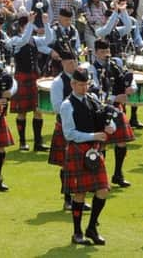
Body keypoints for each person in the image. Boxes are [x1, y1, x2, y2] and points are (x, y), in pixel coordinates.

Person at [60, 66, 114, 245]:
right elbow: (69, 134)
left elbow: (107, 120)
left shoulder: (93, 99)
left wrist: (109, 127)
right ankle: (77, 232)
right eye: (81, 85)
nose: (84, 88)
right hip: (78, 149)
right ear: (72, 83)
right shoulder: (67, 105)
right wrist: (93, 136)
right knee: (80, 194)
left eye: (86, 84)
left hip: (94, 150)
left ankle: (91, 228)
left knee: (103, 190)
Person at [87, 39, 136, 187]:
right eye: (102, 52)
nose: (105, 55)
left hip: (117, 109)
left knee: (121, 143)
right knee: (102, 144)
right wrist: (115, 97)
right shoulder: (91, 69)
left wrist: (131, 88)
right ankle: (99, 177)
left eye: (107, 51)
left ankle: (118, 174)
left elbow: (129, 77)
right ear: (95, 53)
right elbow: (94, 92)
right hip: (100, 109)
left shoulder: (116, 63)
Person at [10, 11, 53, 151]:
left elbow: (49, 39)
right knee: (21, 112)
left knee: (38, 110)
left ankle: (38, 143)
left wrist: (46, 23)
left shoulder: (35, 40)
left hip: (35, 76)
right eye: (27, 25)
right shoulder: (14, 40)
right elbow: (23, 40)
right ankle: (22, 142)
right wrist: (30, 23)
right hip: (21, 77)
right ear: (22, 27)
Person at [48, 49, 81, 210]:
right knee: (66, 165)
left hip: (82, 126)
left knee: (80, 165)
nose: (73, 65)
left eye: (74, 62)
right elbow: (56, 107)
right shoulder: (58, 82)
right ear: (62, 63)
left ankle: (78, 197)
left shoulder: (81, 79)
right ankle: (67, 198)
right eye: (69, 62)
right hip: (65, 125)